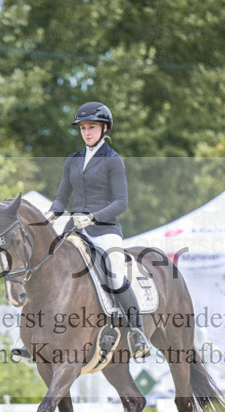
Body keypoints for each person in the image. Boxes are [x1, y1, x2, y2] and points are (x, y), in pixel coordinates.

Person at [45, 101, 151, 359]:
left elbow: (121, 202)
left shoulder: (113, 161)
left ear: (104, 128)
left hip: (105, 230)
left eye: (91, 127)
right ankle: (33, 337)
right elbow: (62, 197)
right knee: (48, 269)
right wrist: (51, 213)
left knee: (114, 274)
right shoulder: (73, 160)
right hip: (75, 232)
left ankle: (137, 333)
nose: (86, 132)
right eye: (82, 128)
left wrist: (92, 217)